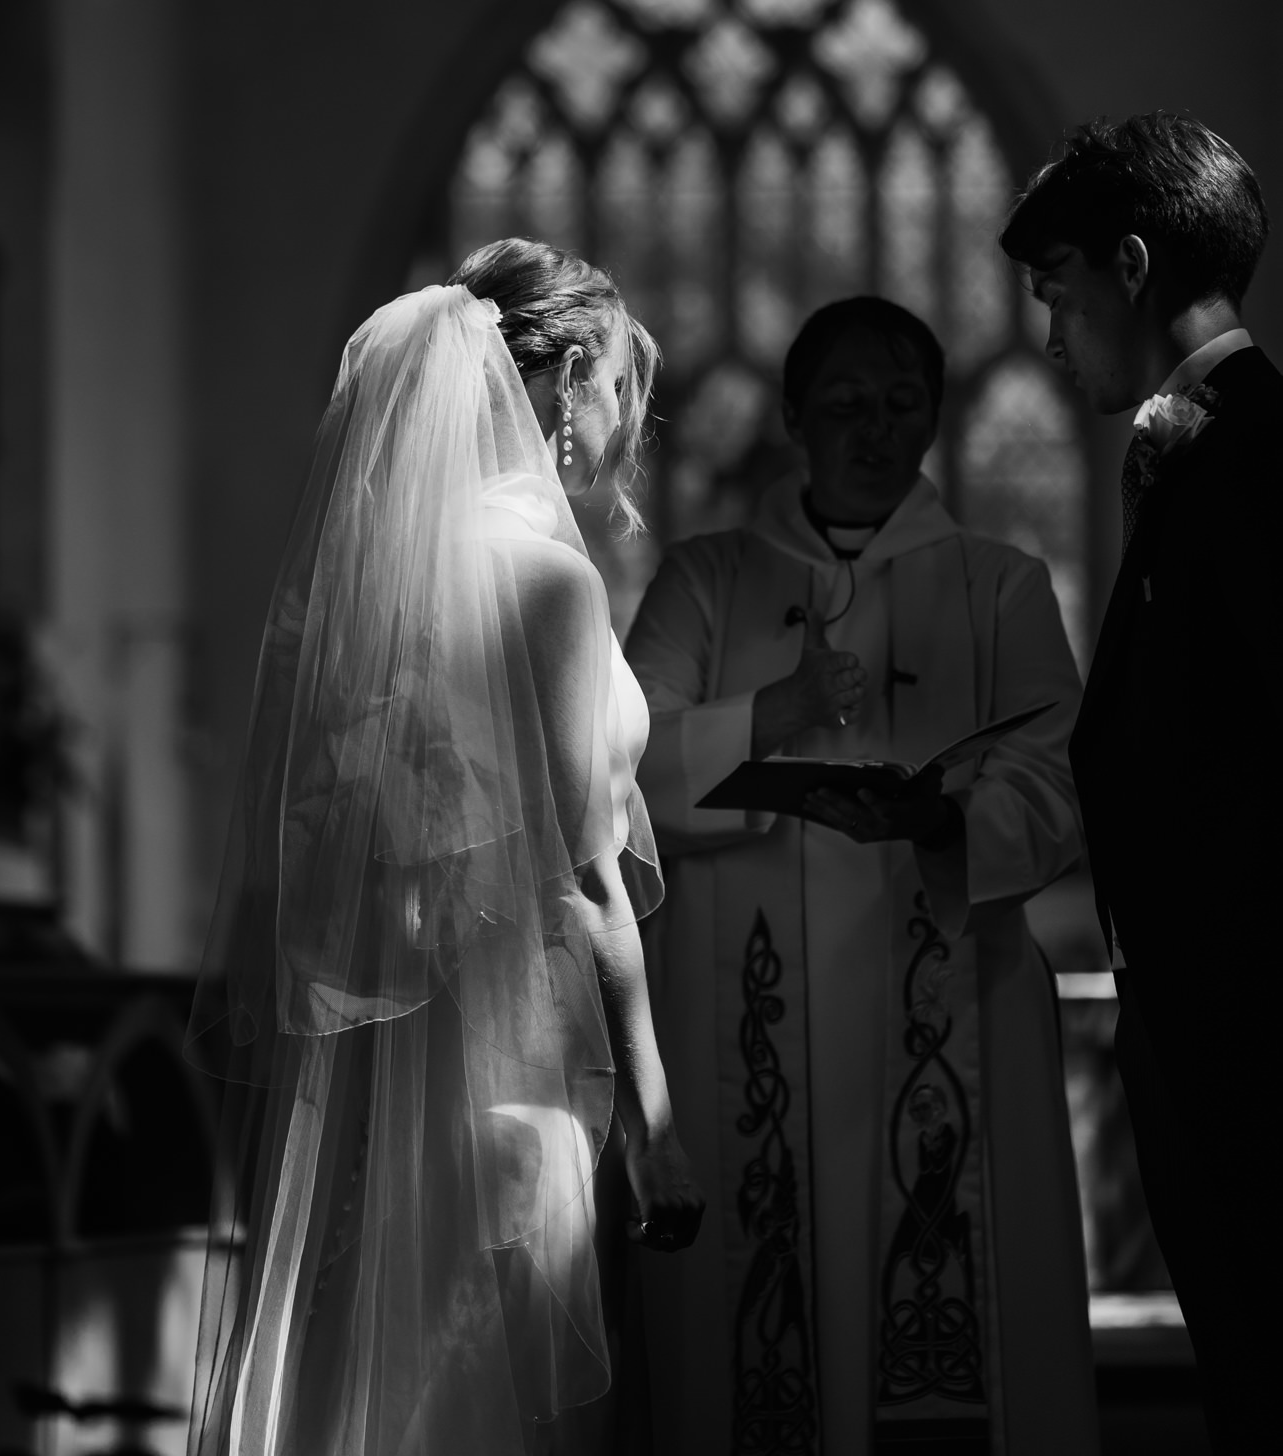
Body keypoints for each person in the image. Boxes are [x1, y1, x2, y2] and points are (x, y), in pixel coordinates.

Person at [185, 240, 703, 1456]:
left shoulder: (371, 581)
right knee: (500, 1400)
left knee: (386, 1382)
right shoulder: (548, 582)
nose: (626, 427)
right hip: (518, 1055)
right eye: (624, 388)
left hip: (384, 1068)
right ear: (571, 371)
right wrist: (657, 1123)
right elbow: (587, 883)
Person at [624, 296, 1098, 1456]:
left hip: (945, 1007)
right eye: (843, 404)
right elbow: (616, 770)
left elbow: (1057, 784)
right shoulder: (704, 579)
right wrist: (774, 713)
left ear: (933, 418)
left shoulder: (1001, 584)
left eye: (899, 405)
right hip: (744, 1024)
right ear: (792, 416)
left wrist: (941, 822)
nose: (873, 430)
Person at [1000, 112, 1278, 1456]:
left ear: (1127, 264)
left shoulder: (1257, 460)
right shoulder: (1207, 451)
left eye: (1055, 296)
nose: (1049, 341)